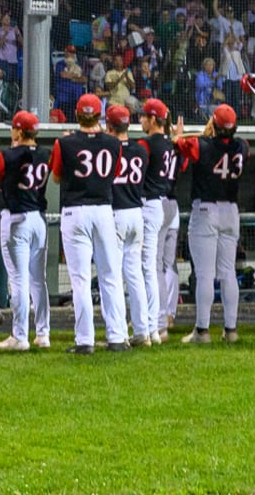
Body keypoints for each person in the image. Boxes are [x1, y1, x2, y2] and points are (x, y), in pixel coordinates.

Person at [52, 94, 132, 354]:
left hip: (75, 211)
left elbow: (56, 177)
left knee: (81, 279)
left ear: (77, 114)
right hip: (104, 210)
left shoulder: (64, 143)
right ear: (100, 116)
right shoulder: (113, 142)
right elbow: (115, 173)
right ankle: (117, 337)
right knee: (111, 276)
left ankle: (85, 341)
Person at [175, 104, 247, 343]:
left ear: (214, 125)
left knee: (205, 274)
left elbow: (179, 141)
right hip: (231, 210)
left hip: (206, 209)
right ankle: (231, 329)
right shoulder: (243, 145)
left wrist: (191, 132)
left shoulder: (201, 143)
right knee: (228, 272)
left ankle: (203, 330)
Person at [0, 111, 52, 351]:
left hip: (17, 218)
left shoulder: (9, 155)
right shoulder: (46, 153)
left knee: (19, 280)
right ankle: (43, 333)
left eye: (13, 128)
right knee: (39, 280)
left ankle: (19, 336)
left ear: (19, 131)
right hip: (39, 218)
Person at [105, 105, 155, 346]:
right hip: (137, 212)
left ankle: (119, 334)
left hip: (116, 213)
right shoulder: (141, 150)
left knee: (113, 275)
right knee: (135, 275)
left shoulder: (108, 148)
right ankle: (142, 332)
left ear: (110, 126)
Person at [136, 99, 183, 340]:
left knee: (152, 266)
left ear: (154, 119)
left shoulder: (147, 144)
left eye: (144, 116)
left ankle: (157, 322)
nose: (141, 119)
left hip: (153, 202)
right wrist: (178, 139)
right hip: (170, 204)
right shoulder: (176, 145)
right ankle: (166, 316)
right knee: (167, 265)